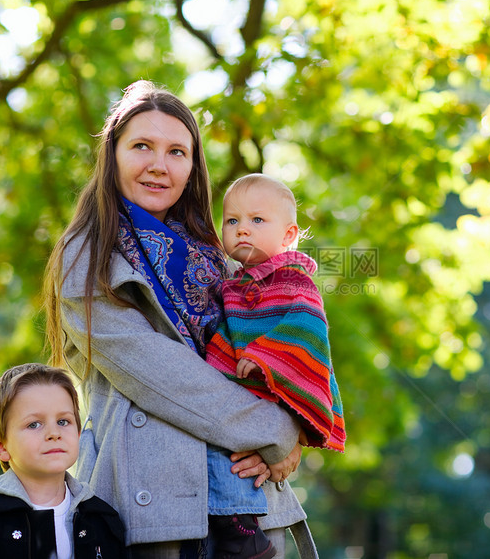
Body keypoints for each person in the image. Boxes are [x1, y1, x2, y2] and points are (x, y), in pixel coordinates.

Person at [42, 80, 313, 559]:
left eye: (176, 152)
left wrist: (298, 421)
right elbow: (159, 375)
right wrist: (274, 432)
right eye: (141, 146)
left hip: (246, 496)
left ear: (192, 167)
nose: (158, 165)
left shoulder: (222, 259)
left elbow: (288, 340)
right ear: (113, 155)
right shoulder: (86, 255)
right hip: (151, 504)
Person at [204, 174, 346, 556]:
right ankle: (238, 525)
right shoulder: (233, 284)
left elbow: (307, 325)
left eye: (256, 220)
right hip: (241, 394)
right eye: (232, 221)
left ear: (288, 235)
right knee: (225, 455)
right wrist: (213, 365)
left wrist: (265, 355)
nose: (241, 230)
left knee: (235, 460)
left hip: (274, 389)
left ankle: (242, 533)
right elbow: (225, 333)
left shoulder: (293, 279)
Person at [0, 363, 126, 559]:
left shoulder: (103, 519)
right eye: (34, 424)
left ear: (78, 433)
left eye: (63, 421)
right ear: (1, 446)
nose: (54, 433)